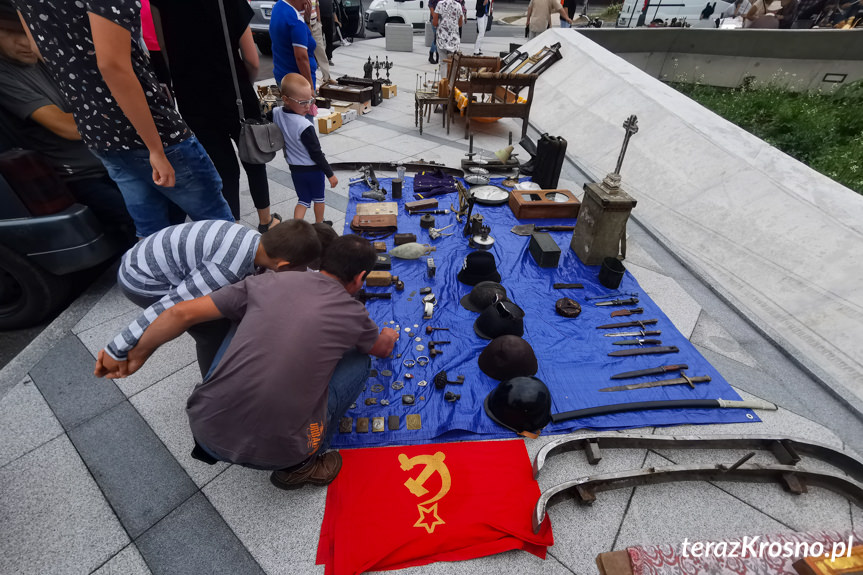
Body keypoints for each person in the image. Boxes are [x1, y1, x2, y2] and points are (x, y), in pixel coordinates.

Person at [98, 234, 400, 488]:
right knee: (361, 361)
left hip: (203, 429)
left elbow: (180, 312)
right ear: (360, 278)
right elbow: (382, 348)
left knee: (235, 319)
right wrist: (387, 332)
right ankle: (304, 464)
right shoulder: (352, 312)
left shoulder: (262, 283)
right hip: (284, 453)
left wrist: (135, 354)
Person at [15, 0, 234, 238]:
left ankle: (157, 274)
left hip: (97, 130)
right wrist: (155, 149)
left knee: (150, 229)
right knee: (219, 226)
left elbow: (39, 48)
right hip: (150, 129)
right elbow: (112, 65)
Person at [94, 218, 320, 379]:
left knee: (223, 313)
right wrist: (118, 349)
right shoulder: (226, 269)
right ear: (283, 265)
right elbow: (173, 308)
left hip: (148, 256)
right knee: (212, 330)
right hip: (141, 279)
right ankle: (213, 385)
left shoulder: (259, 241)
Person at [0, 5, 134, 241]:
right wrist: (114, 111)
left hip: (113, 158)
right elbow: (68, 128)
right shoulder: (6, 77)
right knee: (140, 218)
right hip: (82, 176)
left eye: (29, 32)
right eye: (13, 33)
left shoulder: (45, 55)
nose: (25, 42)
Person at [149, 0, 281, 233]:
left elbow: (163, 51)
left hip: (193, 97)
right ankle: (266, 221)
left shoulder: (160, 3)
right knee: (253, 158)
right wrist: (242, 85)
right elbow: (251, 58)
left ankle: (233, 229)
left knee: (224, 168)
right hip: (235, 92)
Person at [273, 74, 337, 223]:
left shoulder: (276, 113)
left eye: (310, 100)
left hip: (295, 169)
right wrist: (330, 174)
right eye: (302, 102)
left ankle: (297, 228)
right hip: (313, 170)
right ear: (286, 99)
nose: (308, 106)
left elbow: (267, 118)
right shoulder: (304, 125)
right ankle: (320, 225)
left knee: (303, 200)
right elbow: (316, 153)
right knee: (319, 199)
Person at [270, 0, 319, 90]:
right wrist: (310, 88)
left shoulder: (278, 6)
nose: (308, 2)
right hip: (299, 84)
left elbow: (305, 40)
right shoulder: (295, 20)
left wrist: (307, 22)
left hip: (283, 76)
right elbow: (301, 57)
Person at [434, 0, 463, 80]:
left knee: (443, 63)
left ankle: (444, 84)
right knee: (453, 63)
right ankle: (451, 84)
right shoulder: (458, 5)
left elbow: (435, 22)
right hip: (454, 40)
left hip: (442, 39)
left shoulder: (440, 4)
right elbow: (460, 23)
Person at [309, 0, 331, 84]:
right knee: (306, 53)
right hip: (305, 25)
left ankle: (327, 78)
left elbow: (317, 6)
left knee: (321, 51)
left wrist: (319, 22)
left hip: (315, 25)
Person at [319, 0, 337, 65]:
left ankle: (329, 58)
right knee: (319, 41)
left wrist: (335, 19)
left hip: (329, 18)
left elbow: (334, 8)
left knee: (329, 39)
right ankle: (318, 59)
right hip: (321, 18)